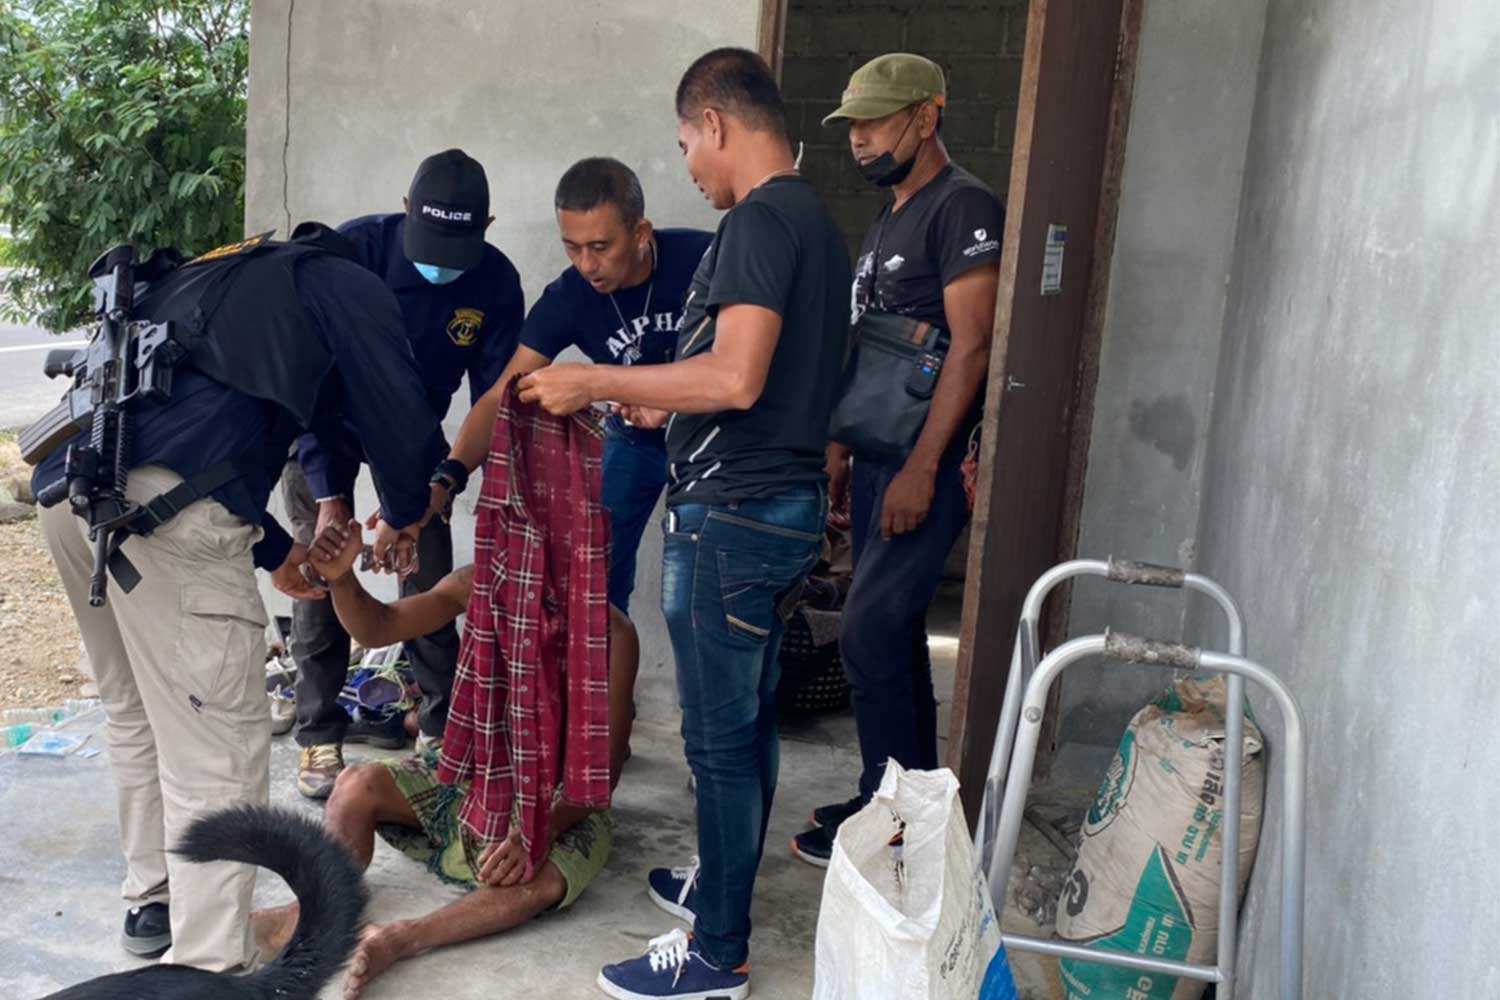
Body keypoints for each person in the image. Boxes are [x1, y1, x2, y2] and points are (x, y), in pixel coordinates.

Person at [518, 47, 850, 1000]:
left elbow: (736, 376)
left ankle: (717, 953)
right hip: (781, 509)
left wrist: (596, 378)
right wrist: (671, 406)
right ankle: (723, 882)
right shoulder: (815, 225)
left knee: (716, 738)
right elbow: (762, 382)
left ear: (714, 122)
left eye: (685, 144)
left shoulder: (753, 222)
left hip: (735, 519)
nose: (691, 168)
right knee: (746, 722)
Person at [31, 224, 445, 972]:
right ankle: (209, 969)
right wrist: (411, 507)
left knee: (138, 713)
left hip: (73, 491)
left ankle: (150, 899)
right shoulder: (349, 285)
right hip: (158, 512)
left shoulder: (224, 276)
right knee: (216, 756)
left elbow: (208, 428)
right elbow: (401, 419)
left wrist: (275, 551)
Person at [250, 515, 639, 1000]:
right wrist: (343, 578)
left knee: (541, 883)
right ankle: (315, 912)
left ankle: (398, 939)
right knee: (355, 787)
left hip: (561, 799)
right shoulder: (477, 585)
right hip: (471, 775)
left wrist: (539, 828)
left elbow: (602, 773)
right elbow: (379, 627)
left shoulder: (612, 636)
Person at [791, 53, 1004, 866]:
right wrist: (841, 451)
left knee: (871, 629)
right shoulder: (890, 218)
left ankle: (897, 810)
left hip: (930, 461)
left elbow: (973, 344)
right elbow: (870, 348)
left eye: (877, 123)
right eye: (854, 127)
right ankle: (905, 799)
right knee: (891, 628)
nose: (861, 141)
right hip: (881, 456)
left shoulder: (962, 207)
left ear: (927, 115)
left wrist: (923, 467)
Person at [287, 148, 524, 801]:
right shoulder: (353, 253)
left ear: (488, 224)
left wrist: (435, 493)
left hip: (414, 436)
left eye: (457, 245)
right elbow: (303, 382)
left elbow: (493, 401)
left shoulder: (495, 282)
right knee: (320, 570)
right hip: (326, 422)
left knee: (433, 575)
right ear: (403, 212)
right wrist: (332, 496)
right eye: (429, 239)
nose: (440, 260)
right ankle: (318, 734)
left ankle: (443, 729)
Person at [440, 157, 711, 614]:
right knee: (595, 579)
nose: (587, 264)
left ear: (641, 232)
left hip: (713, 435)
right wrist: (448, 475)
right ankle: (606, 683)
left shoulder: (706, 259)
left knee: (700, 590)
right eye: (572, 247)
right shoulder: (568, 298)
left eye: (601, 246)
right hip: (635, 438)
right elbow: (503, 394)